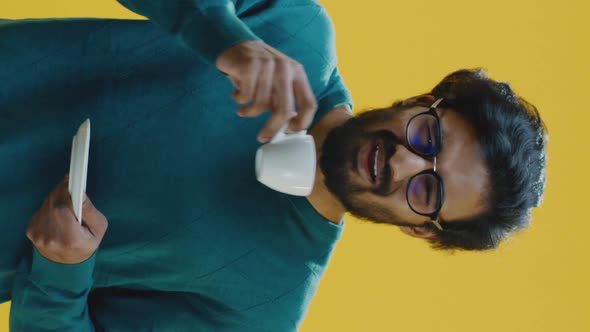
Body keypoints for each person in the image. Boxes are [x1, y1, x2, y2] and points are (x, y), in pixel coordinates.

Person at [0, 0, 548, 331]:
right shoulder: (298, 29)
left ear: (417, 228)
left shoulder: (264, 307)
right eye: (428, 136)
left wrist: (61, 273)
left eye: (426, 192)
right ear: (418, 101)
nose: (403, 161)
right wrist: (226, 40)